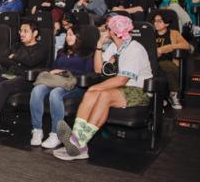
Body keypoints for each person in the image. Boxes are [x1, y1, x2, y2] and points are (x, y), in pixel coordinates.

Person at [53, 15, 152, 161]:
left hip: (138, 91)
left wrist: (96, 88)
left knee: (102, 94)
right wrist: (99, 44)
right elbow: (98, 69)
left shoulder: (135, 49)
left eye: (108, 28)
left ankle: (78, 144)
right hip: (118, 89)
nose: (105, 30)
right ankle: (78, 144)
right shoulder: (114, 47)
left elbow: (122, 80)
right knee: (89, 95)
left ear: (114, 32)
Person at [30, 27, 94, 148]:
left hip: (75, 84)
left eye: (71, 34)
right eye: (67, 35)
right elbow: (53, 68)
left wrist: (65, 71)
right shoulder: (61, 52)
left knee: (56, 93)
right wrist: (54, 71)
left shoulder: (87, 54)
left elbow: (88, 73)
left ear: (79, 37)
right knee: (36, 90)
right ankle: (37, 130)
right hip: (57, 81)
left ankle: (56, 134)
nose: (68, 37)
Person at [152, 11, 190, 110]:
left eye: (159, 21)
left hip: (168, 62)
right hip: (152, 62)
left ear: (167, 23)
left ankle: (171, 95)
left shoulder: (174, 33)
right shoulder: (150, 33)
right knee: (161, 67)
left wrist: (165, 48)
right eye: (155, 21)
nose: (156, 23)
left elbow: (186, 45)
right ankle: (169, 95)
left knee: (166, 66)